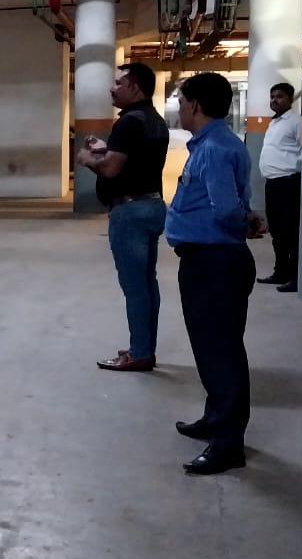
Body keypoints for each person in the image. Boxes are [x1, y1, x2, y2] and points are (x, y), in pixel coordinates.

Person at [165, 72, 263, 476]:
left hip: (214, 262)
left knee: (221, 352)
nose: (179, 108)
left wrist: (245, 224)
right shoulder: (212, 144)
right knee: (211, 348)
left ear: (196, 105)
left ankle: (227, 443)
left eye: (181, 101)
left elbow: (225, 210)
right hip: (207, 259)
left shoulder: (215, 150)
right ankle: (215, 418)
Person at [78, 63, 170, 373]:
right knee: (147, 282)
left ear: (135, 86)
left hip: (130, 211)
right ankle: (144, 347)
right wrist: (107, 149)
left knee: (134, 286)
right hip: (152, 205)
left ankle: (139, 353)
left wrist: (88, 159)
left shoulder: (129, 122)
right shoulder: (154, 120)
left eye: (119, 82)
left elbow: (112, 168)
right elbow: (136, 159)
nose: (112, 88)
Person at [258, 81, 302, 293]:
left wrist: (296, 171)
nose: (274, 100)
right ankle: (280, 272)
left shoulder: (296, 122)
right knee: (276, 231)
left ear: (290, 99)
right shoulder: (274, 122)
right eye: (272, 96)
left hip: (288, 183)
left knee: (290, 231)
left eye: (280, 96)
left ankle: (295, 276)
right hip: (273, 183)